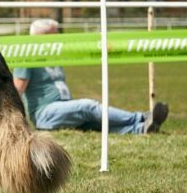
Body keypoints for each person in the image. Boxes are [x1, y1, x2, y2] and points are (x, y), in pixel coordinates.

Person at [12, 19, 169, 134]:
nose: (60, 37)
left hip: (63, 107)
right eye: (55, 35)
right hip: (45, 114)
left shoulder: (54, 57)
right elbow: (16, 91)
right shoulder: (27, 58)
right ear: (42, 37)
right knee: (88, 106)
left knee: (93, 122)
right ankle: (140, 117)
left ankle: (141, 129)